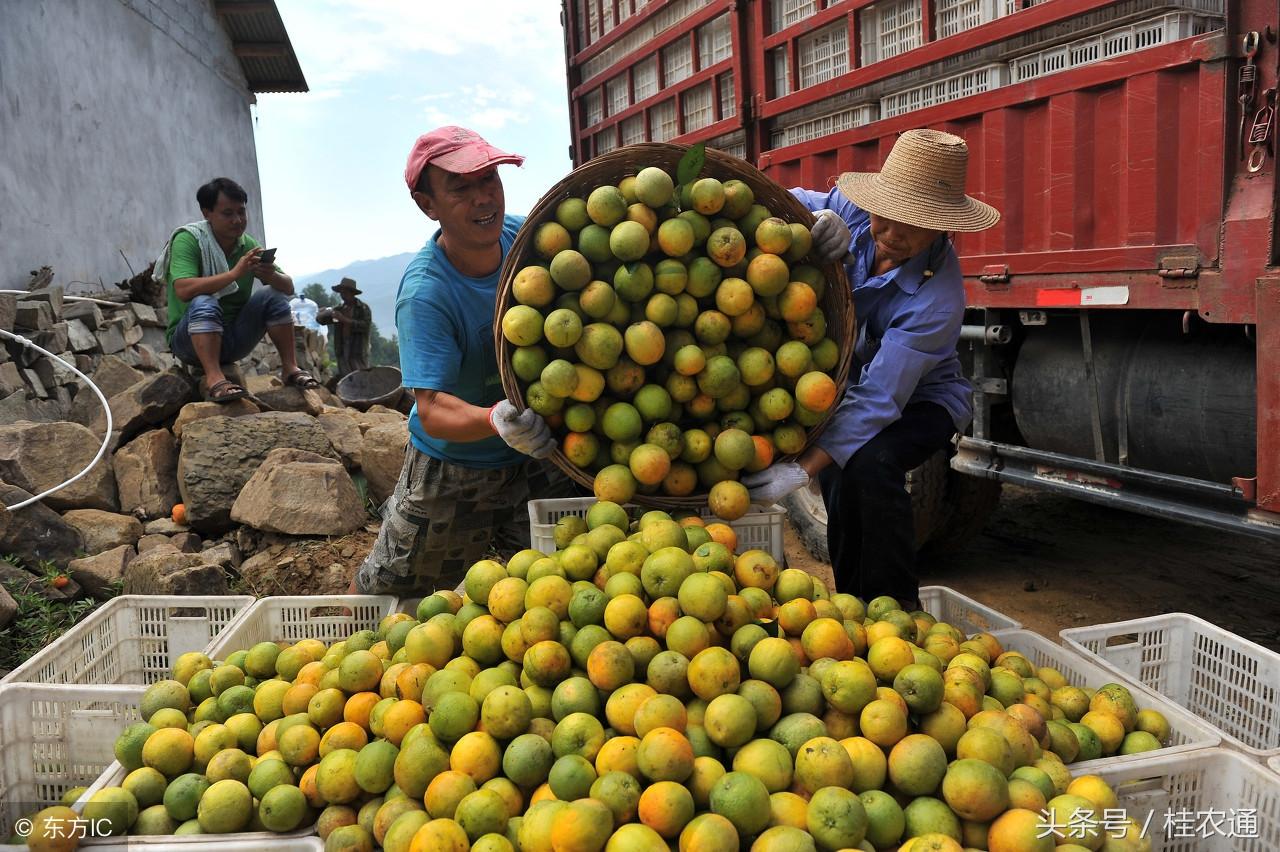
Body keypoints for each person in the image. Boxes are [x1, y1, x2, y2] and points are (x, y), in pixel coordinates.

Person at [742, 129, 1000, 608]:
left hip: (923, 400)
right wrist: (811, 218)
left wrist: (798, 472)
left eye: (914, 225)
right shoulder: (854, 212)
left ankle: (897, 610)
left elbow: (882, 397)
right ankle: (854, 606)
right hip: (853, 383)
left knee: (871, 463)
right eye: (887, 215)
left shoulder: (937, 300)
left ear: (943, 228)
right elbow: (780, 201)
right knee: (840, 473)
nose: (893, 234)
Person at [352, 126, 577, 596]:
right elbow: (431, 409)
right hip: (456, 470)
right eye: (462, 188)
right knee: (391, 594)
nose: (483, 199)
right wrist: (496, 418)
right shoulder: (426, 294)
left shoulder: (528, 239)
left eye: (489, 180)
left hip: (539, 455)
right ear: (427, 204)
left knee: (553, 591)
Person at [157, 177, 321, 401]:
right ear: (207, 213)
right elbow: (184, 290)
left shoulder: (248, 245)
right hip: (188, 341)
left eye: (241, 212)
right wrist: (234, 273)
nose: (237, 220)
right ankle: (214, 378)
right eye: (228, 213)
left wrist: (271, 275)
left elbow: (288, 287)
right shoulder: (189, 239)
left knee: (272, 296)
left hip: (234, 338)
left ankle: (291, 369)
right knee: (204, 300)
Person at [317, 278, 372, 379]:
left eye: (345, 292)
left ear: (352, 293)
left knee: (362, 375)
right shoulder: (339, 309)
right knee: (346, 377)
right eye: (341, 292)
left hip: (358, 349)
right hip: (342, 347)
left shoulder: (363, 309)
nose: (342, 295)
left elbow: (365, 326)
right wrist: (324, 313)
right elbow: (321, 320)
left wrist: (344, 320)